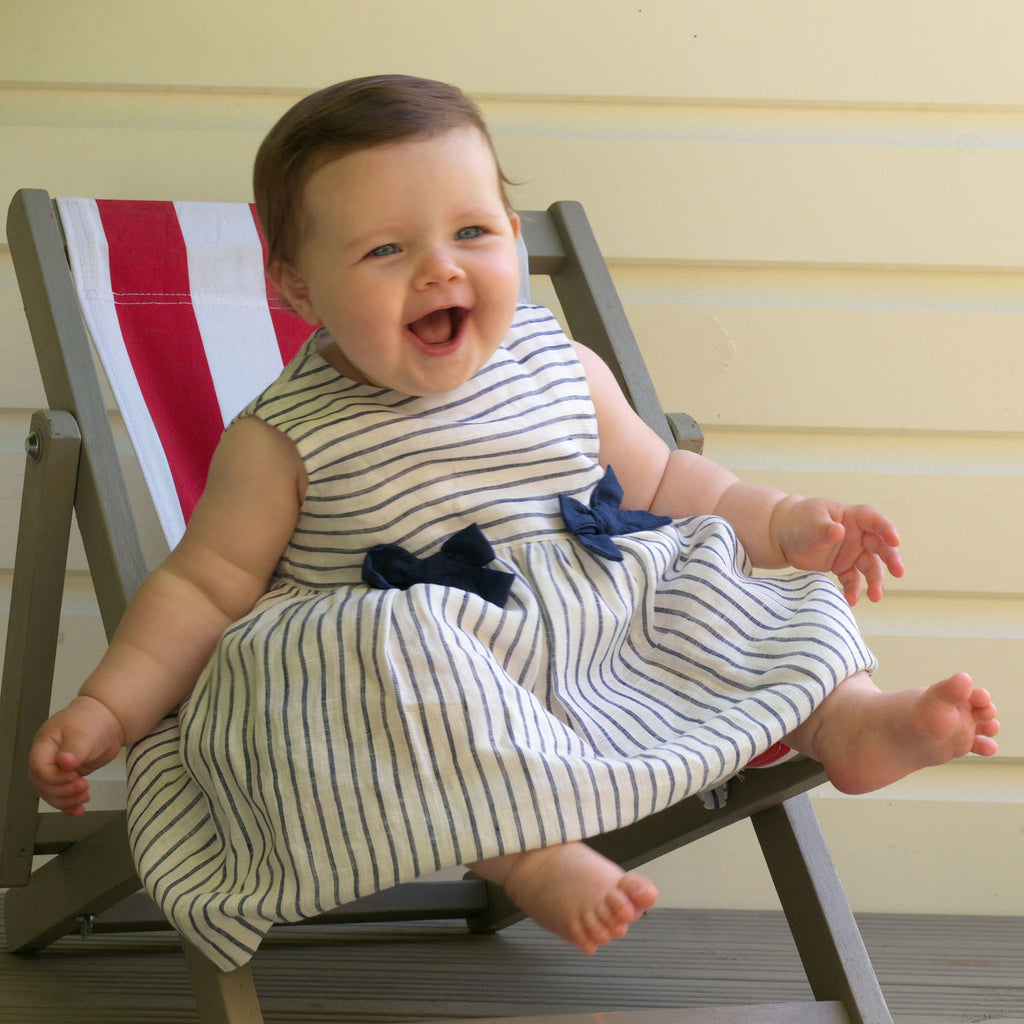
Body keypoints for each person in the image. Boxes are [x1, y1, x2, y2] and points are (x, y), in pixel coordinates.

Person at [30, 75, 999, 969]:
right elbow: (203, 587)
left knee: (732, 570)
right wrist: (109, 707)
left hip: (599, 638)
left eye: (473, 233)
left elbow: (664, 475)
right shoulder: (282, 436)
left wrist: (784, 521)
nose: (439, 269)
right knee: (359, 644)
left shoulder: (558, 361)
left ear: (511, 234)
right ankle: (529, 851)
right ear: (294, 289)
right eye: (385, 248)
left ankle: (844, 716)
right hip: (435, 665)